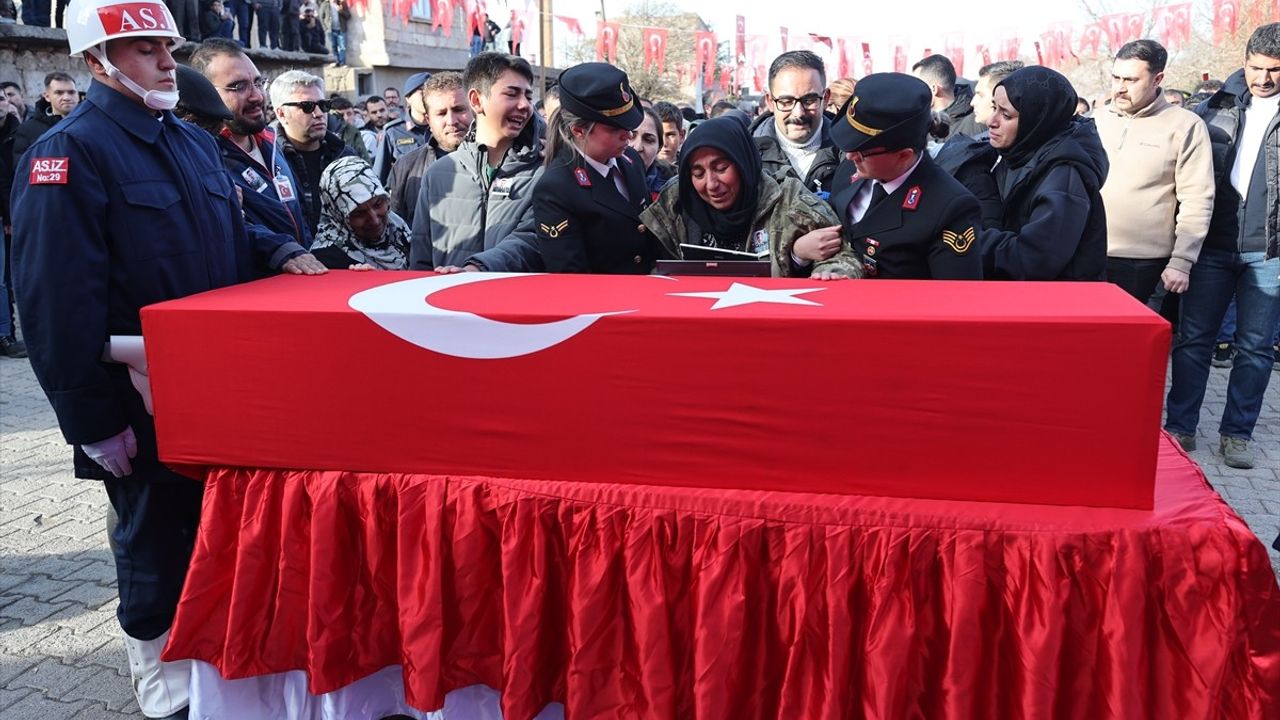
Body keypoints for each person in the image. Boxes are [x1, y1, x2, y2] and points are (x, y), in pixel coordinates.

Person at [8, 1, 272, 716]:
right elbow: (54, 305)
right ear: (97, 62)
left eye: (167, 45)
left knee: (215, 534)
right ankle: (160, 679)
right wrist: (91, 422)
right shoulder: (68, 153)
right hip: (137, 397)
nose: (165, 60)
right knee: (153, 539)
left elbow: (240, 240)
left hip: (216, 389)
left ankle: (217, 664)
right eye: (144, 48)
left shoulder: (188, 143)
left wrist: (291, 254)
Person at [1165, 23, 1280, 468]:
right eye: (1256, 66)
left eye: (1274, 69)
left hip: (1268, 251)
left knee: (1255, 347)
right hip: (1210, 245)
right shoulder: (1212, 108)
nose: (1263, 78)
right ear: (1245, 60)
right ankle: (1180, 427)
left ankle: (1237, 433)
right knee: (1194, 340)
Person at [641, 115, 862, 280]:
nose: (711, 184)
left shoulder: (788, 199)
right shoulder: (675, 203)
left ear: (743, 164)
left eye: (721, 168)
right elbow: (653, 265)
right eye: (698, 173)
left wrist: (827, 274)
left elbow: (844, 257)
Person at [825, 73, 984, 280]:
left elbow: (956, 300)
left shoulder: (949, 208)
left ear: (903, 155)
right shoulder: (852, 169)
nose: (849, 156)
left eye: (862, 151)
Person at [189, 39, 324, 274]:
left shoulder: (272, 143)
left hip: (301, 288)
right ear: (205, 94)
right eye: (238, 86)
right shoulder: (202, 157)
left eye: (258, 83)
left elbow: (299, 216)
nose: (256, 96)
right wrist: (279, 251)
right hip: (253, 297)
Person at [1096, 39, 1215, 305]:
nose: (1120, 88)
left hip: (1144, 265)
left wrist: (1182, 261)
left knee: (1131, 344)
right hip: (1088, 255)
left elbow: (1197, 199)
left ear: (1157, 78)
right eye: (1116, 78)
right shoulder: (1096, 120)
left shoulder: (1185, 126)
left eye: (1130, 79)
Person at [410, 52, 544, 271]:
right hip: (448, 303)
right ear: (476, 100)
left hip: (515, 303)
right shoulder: (439, 174)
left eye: (528, 97)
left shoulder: (545, 171)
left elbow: (533, 240)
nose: (524, 105)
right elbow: (421, 259)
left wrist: (477, 270)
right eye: (512, 94)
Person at [979, 66, 1109, 281]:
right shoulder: (1019, 153)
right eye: (994, 107)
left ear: (1037, 119)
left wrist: (968, 239)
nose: (991, 121)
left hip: (1058, 305)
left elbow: (1034, 259)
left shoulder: (1064, 176)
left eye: (1006, 115)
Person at [532, 63, 655, 274]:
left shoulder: (630, 160)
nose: (628, 134)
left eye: (627, 123)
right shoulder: (556, 187)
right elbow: (571, 275)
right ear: (579, 130)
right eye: (615, 128)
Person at [270, 70, 355, 234]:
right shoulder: (269, 161)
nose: (319, 114)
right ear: (281, 113)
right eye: (307, 107)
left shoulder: (344, 156)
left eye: (323, 105)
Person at [750, 50, 843, 196]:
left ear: (825, 99)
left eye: (809, 100)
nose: (798, 113)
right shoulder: (747, 155)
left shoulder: (852, 154)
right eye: (786, 102)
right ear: (770, 101)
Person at [386, 71, 471, 228]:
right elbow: (397, 227)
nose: (451, 121)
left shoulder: (498, 160)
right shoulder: (405, 168)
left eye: (459, 109)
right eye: (441, 113)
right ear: (428, 120)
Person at [310, 156, 410, 269]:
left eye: (378, 204)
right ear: (338, 215)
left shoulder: (397, 228)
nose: (374, 220)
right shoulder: (325, 260)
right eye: (359, 214)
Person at [372, 71, 429, 184]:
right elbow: (379, 176)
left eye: (432, 93)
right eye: (422, 91)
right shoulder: (392, 132)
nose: (428, 97)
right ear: (408, 98)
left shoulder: (443, 127)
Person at [11, 72, 79, 164]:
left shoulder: (91, 124)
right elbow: (22, 166)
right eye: (59, 93)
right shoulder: (28, 129)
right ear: (47, 96)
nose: (66, 97)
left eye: (71, 92)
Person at [0, 90, 23, 359]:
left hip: (9, 215)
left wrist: (10, 216)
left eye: (3, 98)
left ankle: (7, 334)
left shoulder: (18, 132)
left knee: (4, 280)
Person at [912, 54, 981, 139]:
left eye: (916, 86)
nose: (912, 91)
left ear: (933, 89)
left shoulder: (980, 122)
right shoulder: (916, 123)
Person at [631, 105, 674, 201]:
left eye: (648, 140)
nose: (637, 147)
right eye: (631, 136)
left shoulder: (674, 189)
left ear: (659, 148)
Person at [653, 100, 684, 164]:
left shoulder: (690, 169)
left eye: (670, 135)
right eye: (658, 135)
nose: (664, 143)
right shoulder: (637, 170)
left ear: (681, 136)